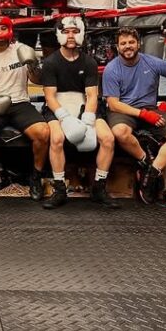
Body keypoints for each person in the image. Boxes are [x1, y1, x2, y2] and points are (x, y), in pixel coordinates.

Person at [103, 26, 166, 202]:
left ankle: (151, 173)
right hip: (124, 110)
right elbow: (113, 104)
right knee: (120, 132)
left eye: (131, 42)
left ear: (139, 44)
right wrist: (143, 114)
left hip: (150, 109)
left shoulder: (151, 62)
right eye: (123, 43)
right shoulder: (112, 69)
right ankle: (144, 161)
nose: (128, 46)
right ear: (117, 47)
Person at [41, 16, 118, 209]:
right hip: (58, 106)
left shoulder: (89, 62)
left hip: (84, 106)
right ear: (59, 34)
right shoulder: (50, 62)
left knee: (108, 138)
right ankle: (59, 188)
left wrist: (87, 119)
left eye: (75, 32)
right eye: (66, 32)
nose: (70, 36)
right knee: (56, 138)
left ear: (81, 34)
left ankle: (99, 187)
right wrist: (64, 118)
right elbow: (49, 96)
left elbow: (92, 95)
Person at [0, 16, 49, 203]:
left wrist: (33, 65)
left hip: (19, 102)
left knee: (43, 133)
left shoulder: (22, 50)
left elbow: (38, 81)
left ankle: (36, 177)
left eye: (2, 29)